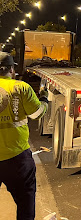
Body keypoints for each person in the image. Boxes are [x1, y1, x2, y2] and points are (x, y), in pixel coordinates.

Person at [0, 52, 48, 220]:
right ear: (11, 69)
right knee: (25, 205)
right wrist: (44, 100)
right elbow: (37, 114)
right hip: (17, 159)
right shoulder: (20, 87)